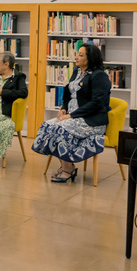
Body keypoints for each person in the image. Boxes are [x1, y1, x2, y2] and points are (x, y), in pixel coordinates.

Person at [32, 43, 111, 183]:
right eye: (77, 54)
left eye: (81, 55)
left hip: (90, 120)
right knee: (47, 126)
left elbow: (97, 103)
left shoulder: (99, 76)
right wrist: (63, 108)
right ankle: (67, 167)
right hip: (72, 118)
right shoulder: (76, 72)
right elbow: (68, 93)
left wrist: (70, 115)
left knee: (59, 128)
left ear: (90, 58)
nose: (76, 57)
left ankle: (67, 169)